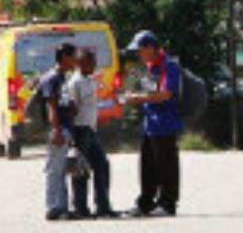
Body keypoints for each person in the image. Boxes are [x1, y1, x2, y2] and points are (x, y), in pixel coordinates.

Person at [123, 30, 182, 217]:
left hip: (165, 123)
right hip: (150, 124)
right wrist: (136, 96)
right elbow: (149, 93)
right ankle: (145, 202)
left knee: (167, 165)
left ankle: (167, 203)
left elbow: (165, 94)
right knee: (147, 165)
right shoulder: (149, 67)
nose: (138, 54)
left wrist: (137, 98)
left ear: (150, 47)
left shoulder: (169, 66)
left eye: (140, 50)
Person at [67, 49, 117, 219]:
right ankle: (81, 208)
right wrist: (72, 137)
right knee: (80, 170)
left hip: (91, 129)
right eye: (91, 62)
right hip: (80, 130)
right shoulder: (75, 83)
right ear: (81, 63)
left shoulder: (89, 80)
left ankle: (103, 206)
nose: (94, 65)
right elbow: (72, 109)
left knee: (102, 165)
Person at [38, 43, 78, 221]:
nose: (76, 60)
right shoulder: (52, 78)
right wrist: (56, 130)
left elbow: (62, 103)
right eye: (73, 57)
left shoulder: (62, 78)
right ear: (64, 58)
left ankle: (62, 207)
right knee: (54, 169)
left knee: (61, 169)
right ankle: (53, 207)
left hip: (64, 128)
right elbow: (51, 106)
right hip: (57, 129)